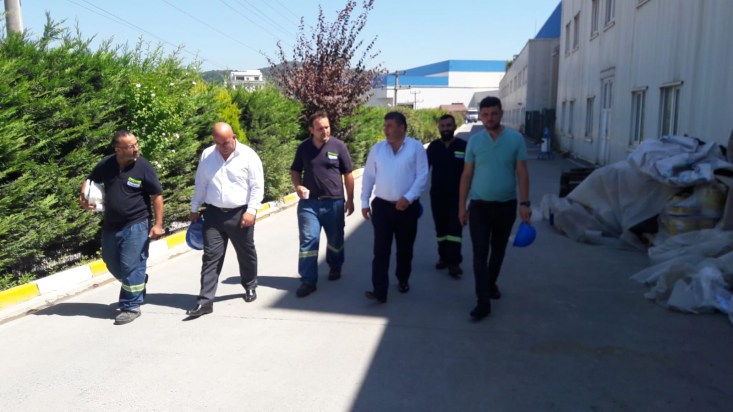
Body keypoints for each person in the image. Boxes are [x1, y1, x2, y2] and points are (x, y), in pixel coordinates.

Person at [79, 131, 164, 325]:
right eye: (131, 146)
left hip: (137, 223)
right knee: (110, 261)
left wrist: (159, 224)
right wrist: (83, 197)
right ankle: (138, 280)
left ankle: (131, 306)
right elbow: (90, 180)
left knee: (131, 266)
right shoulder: (107, 164)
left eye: (136, 144)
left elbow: (157, 196)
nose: (136, 149)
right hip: (111, 224)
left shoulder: (143, 166)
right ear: (118, 150)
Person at [459, 96, 531, 321]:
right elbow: (467, 175)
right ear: (480, 116)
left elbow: (522, 172)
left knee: (498, 250)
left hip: (506, 206)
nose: (489, 118)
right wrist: (461, 206)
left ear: (501, 113)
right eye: (485, 114)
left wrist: (525, 203)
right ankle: (483, 301)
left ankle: (490, 284)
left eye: (493, 114)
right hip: (479, 206)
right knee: (479, 254)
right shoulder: (474, 142)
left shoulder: (515, 139)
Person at [186, 122, 264, 318]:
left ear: (234, 137)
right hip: (213, 214)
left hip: (240, 214)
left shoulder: (248, 155)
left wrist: (251, 210)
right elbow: (201, 183)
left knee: (245, 252)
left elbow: (257, 186)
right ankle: (205, 301)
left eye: (226, 142)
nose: (223, 147)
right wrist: (194, 207)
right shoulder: (207, 155)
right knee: (211, 257)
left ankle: (250, 285)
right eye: (219, 143)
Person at [361, 111, 429, 303]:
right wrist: (365, 201)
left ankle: (402, 278)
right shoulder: (378, 149)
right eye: (385, 126)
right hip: (382, 207)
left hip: (407, 208)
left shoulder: (415, 148)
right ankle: (379, 290)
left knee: (404, 249)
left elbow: (422, 176)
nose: (386, 130)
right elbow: (368, 176)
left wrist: (408, 197)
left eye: (390, 126)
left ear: (402, 128)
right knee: (380, 250)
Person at [290, 111, 355, 298]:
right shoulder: (304, 148)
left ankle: (335, 265)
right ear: (311, 130)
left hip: (333, 202)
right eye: (320, 128)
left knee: (335, 239)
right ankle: (308, 281)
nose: (325, 131)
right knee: (309, 240)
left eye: (327, 127)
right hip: (309, 204)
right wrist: (298, 186)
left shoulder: (338, 146)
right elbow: (295, 170)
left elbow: (348, 174)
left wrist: (350, 199)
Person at [426, 114, 467, 278]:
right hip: (437, 195)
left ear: (454, 126)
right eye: (442, 126)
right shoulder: (433, 147)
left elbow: (470, 171)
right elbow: (423, 170)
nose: (445, 129)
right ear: (438, 128)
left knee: (455, 229)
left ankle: (454, 262)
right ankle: (443, 257)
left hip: (458, 196)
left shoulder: (463, 146)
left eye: (448, 125)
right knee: (441, 228)